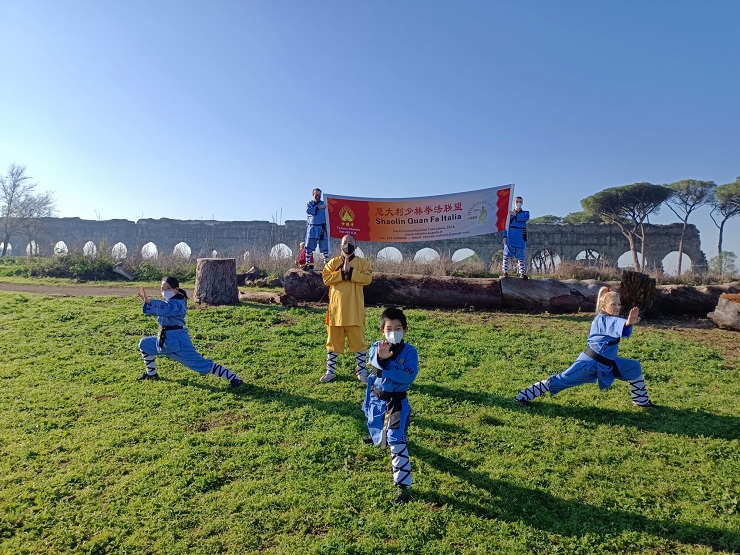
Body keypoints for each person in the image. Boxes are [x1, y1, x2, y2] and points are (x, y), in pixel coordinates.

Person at [515, 286, 657, 408]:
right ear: (603, 307)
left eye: (619, 304)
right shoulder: (602, 320)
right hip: (589, 364)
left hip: (608, 364)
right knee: (562, 380)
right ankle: (523, 396)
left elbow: (617, 324)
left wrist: (628, 323)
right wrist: (627, 323)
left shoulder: (611, 319)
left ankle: (641, 401)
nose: (617, 307)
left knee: (633, 367)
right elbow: (615, 324)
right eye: (613, 304)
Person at [137, 276, 243, 388]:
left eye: (167, 288)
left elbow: (166, 308)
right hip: (164, 340)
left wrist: (149, 302)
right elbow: (163, 307)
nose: (164, 291)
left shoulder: (178, 303)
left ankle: (234, 378)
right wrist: (149, 303)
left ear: (176, 289)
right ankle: (151, 374)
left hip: (178, 342)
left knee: (200, 364)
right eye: (162, 288)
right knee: (145, 344)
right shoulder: (172, 300)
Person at [363, 307, 419, 504]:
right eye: (389, 328)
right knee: (376, 429)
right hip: (376, 399)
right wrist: (381, 359)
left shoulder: (411, 352)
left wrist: (386, 365)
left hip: (397, 401)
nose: (393, 332)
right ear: (382, 331)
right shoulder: (377, 346)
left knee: (396, 440)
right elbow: (373, 361)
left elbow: (408, 375)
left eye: (398, 328)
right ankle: (378, 435)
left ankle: (403, 486)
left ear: (405, 329)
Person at [320, 234, 372, 383]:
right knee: (332, 342)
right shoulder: (333, 262)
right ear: (340, 246)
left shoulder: (363, 264)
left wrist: (351, 273)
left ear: (355, 245)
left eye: (350, 242)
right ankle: (331, 371)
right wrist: (342, 273)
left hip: (354, 310)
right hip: (336, 310)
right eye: (345, 242)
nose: (347, 245)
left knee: (359, 342)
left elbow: (367, 279)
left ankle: (361, 371)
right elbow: (326, 278)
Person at [502, 195, 529, 279]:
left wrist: (515, 215)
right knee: (506, 255)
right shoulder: (508, 215)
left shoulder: (526, 213)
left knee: (521, 256)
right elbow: (505, 226)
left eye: (520, 201)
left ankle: (522, 273)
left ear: (522, 203)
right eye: (517, 201)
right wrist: (504, 236)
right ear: (514, 203)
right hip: (510, 235)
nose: (518, 203)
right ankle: (505, 272)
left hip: (520, 236)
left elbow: (525, 218)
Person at [305, 187, 330, 270]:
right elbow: (309, 210)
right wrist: (319, 208)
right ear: (313, 194)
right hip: (312, 227)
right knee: (309, 246)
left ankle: (326, 265)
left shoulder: (324, 204)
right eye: (316, 195)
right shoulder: (310, 203)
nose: (318, 197)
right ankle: (307, 264)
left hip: (322, 227)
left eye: (319, 195)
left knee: (325, 247)